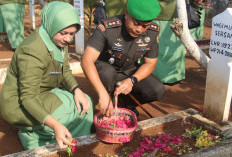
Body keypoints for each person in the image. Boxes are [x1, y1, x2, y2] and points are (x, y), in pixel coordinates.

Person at [0, 1, 93, 150]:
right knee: (75, 111)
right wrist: (55, 125)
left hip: (40, 92)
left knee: (85, 102)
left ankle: (65, 138)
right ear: (52, 24)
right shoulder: (31, 51)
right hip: (18, 104)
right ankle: (33, 136)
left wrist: (77, 89)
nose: (68, 39)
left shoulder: (56, 37)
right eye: (64, 33)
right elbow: (28, 97)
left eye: (72, 34)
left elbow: (65, 71)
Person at [81, 0, 165, 117]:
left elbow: (150, 63)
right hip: (105, 70)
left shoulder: (152, 32)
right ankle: (107, 101)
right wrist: (102, 93)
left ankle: (123, 105)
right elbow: (87, 61)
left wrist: (132, 80)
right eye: (136, 23)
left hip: (128, 71)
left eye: (145, 26)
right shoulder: (108, 28)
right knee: (107, 72)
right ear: (126, 14)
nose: (139, 29)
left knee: (157, 89)